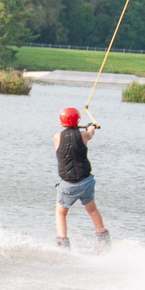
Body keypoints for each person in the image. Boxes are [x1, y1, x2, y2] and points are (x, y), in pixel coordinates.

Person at [54, 106, 111, 253]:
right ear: (77, 120)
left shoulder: (57, 137)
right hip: (85, 182)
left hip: (68, 185)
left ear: (61, 121)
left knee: (61, 213)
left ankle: (62, 242)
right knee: (91, 209)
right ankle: (103, 238)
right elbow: (90, 134)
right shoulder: (83, 135)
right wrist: (91, 127)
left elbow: (67, 140)